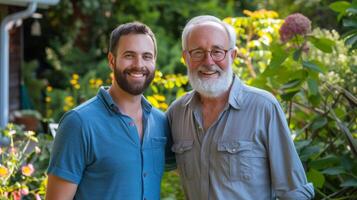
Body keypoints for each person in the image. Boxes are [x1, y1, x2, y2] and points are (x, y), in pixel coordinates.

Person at [166, 15, 315, 200]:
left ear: (233, 55)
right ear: (185, 57)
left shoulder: (263, 108)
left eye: (217, 51)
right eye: (197, 52)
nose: (208, 61)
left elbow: (295, 192)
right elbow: (147, 165)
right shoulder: (177, 113)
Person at [46, 22, 171, 200]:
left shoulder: (160, 122)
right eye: (129, 55)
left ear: (154, 62)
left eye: (147, 56)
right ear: (112, 61)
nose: (138, 64)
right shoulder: (79, 123)